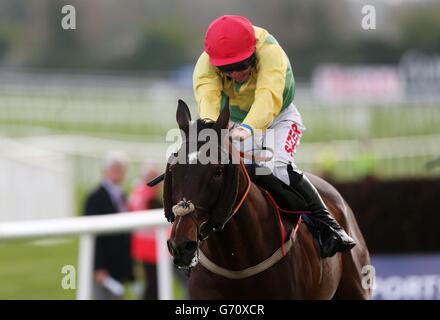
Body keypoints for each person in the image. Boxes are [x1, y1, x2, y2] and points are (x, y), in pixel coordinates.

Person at [192, 15, 356, 258]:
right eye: (228, 70)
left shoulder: (270, 52)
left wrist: (246, 130)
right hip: (235, 121)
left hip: (279, 117)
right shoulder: (206, 64)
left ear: (252, 54)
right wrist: (211, 129)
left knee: (276, 167)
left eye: (242, 66)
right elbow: (208, 100)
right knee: (215, 169)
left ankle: (329, 226)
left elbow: (267, 99)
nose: (236, 74)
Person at [128, 167, 188, 299]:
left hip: (146, 247)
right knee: (155, 287)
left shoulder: (137, 193)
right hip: (153, 248)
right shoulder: (148, 196)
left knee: (154, 285)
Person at [84, 151, 134, 299]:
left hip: (119, 267)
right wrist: (98, 266)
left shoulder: (123, 197)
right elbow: (92, 234)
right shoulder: (94, 198)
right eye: (114, 167)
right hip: (103, 268)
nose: (117, 172)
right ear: (105, 170)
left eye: (120, 168)